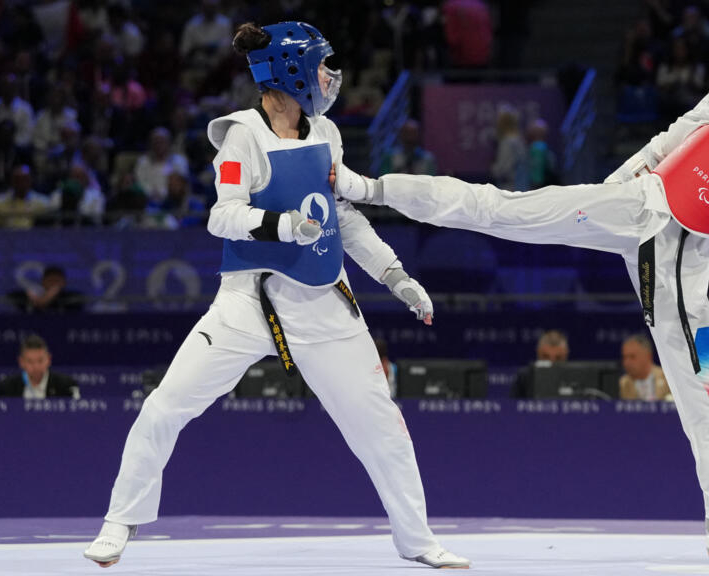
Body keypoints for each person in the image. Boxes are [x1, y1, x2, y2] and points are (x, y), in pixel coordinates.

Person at [336, 18, 709, 568]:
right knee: (506, 209)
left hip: (684, 270)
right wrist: (607, 194)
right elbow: (661, 146)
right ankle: (371, 188)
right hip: (636, 206)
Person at [84, 22, 469, 570]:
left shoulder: (326, 133)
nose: (329, 76)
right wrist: (285, 226)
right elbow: (222, 214)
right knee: (165, 405)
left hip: (324, 300)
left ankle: (417, 539)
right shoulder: (242, 133)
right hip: (249, 301)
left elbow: (345, 216)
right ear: (290, 71)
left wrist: (395, 275)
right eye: (320, 65)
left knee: (381, 424)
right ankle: (118, 521)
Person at [0, 334, 80, 399]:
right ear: (21, 362)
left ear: (49, 359)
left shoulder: (65, 386)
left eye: (40, 361)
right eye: (30, 361)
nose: (36, 366)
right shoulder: (7, 388)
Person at [510, 330, 569, 398]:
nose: (552, 362)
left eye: (558, 358)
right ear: (538, 354)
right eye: (546, 357)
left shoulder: (575, 377)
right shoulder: (524, 377)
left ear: (565, 356)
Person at [7, 265, 84, 313]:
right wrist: (30, 294)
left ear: (64, 283)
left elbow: (80, 301)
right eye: (50, 281)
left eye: (57, 281)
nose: (53, 284)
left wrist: (50, 296)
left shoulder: (71, 297)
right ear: (43, 282)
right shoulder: (31, 296)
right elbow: (10, 296)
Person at [619, 333, 672, 402]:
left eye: (632, 357)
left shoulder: (667, 378)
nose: (626, 363)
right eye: (625, 357)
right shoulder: (624, 383)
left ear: (648, 356)